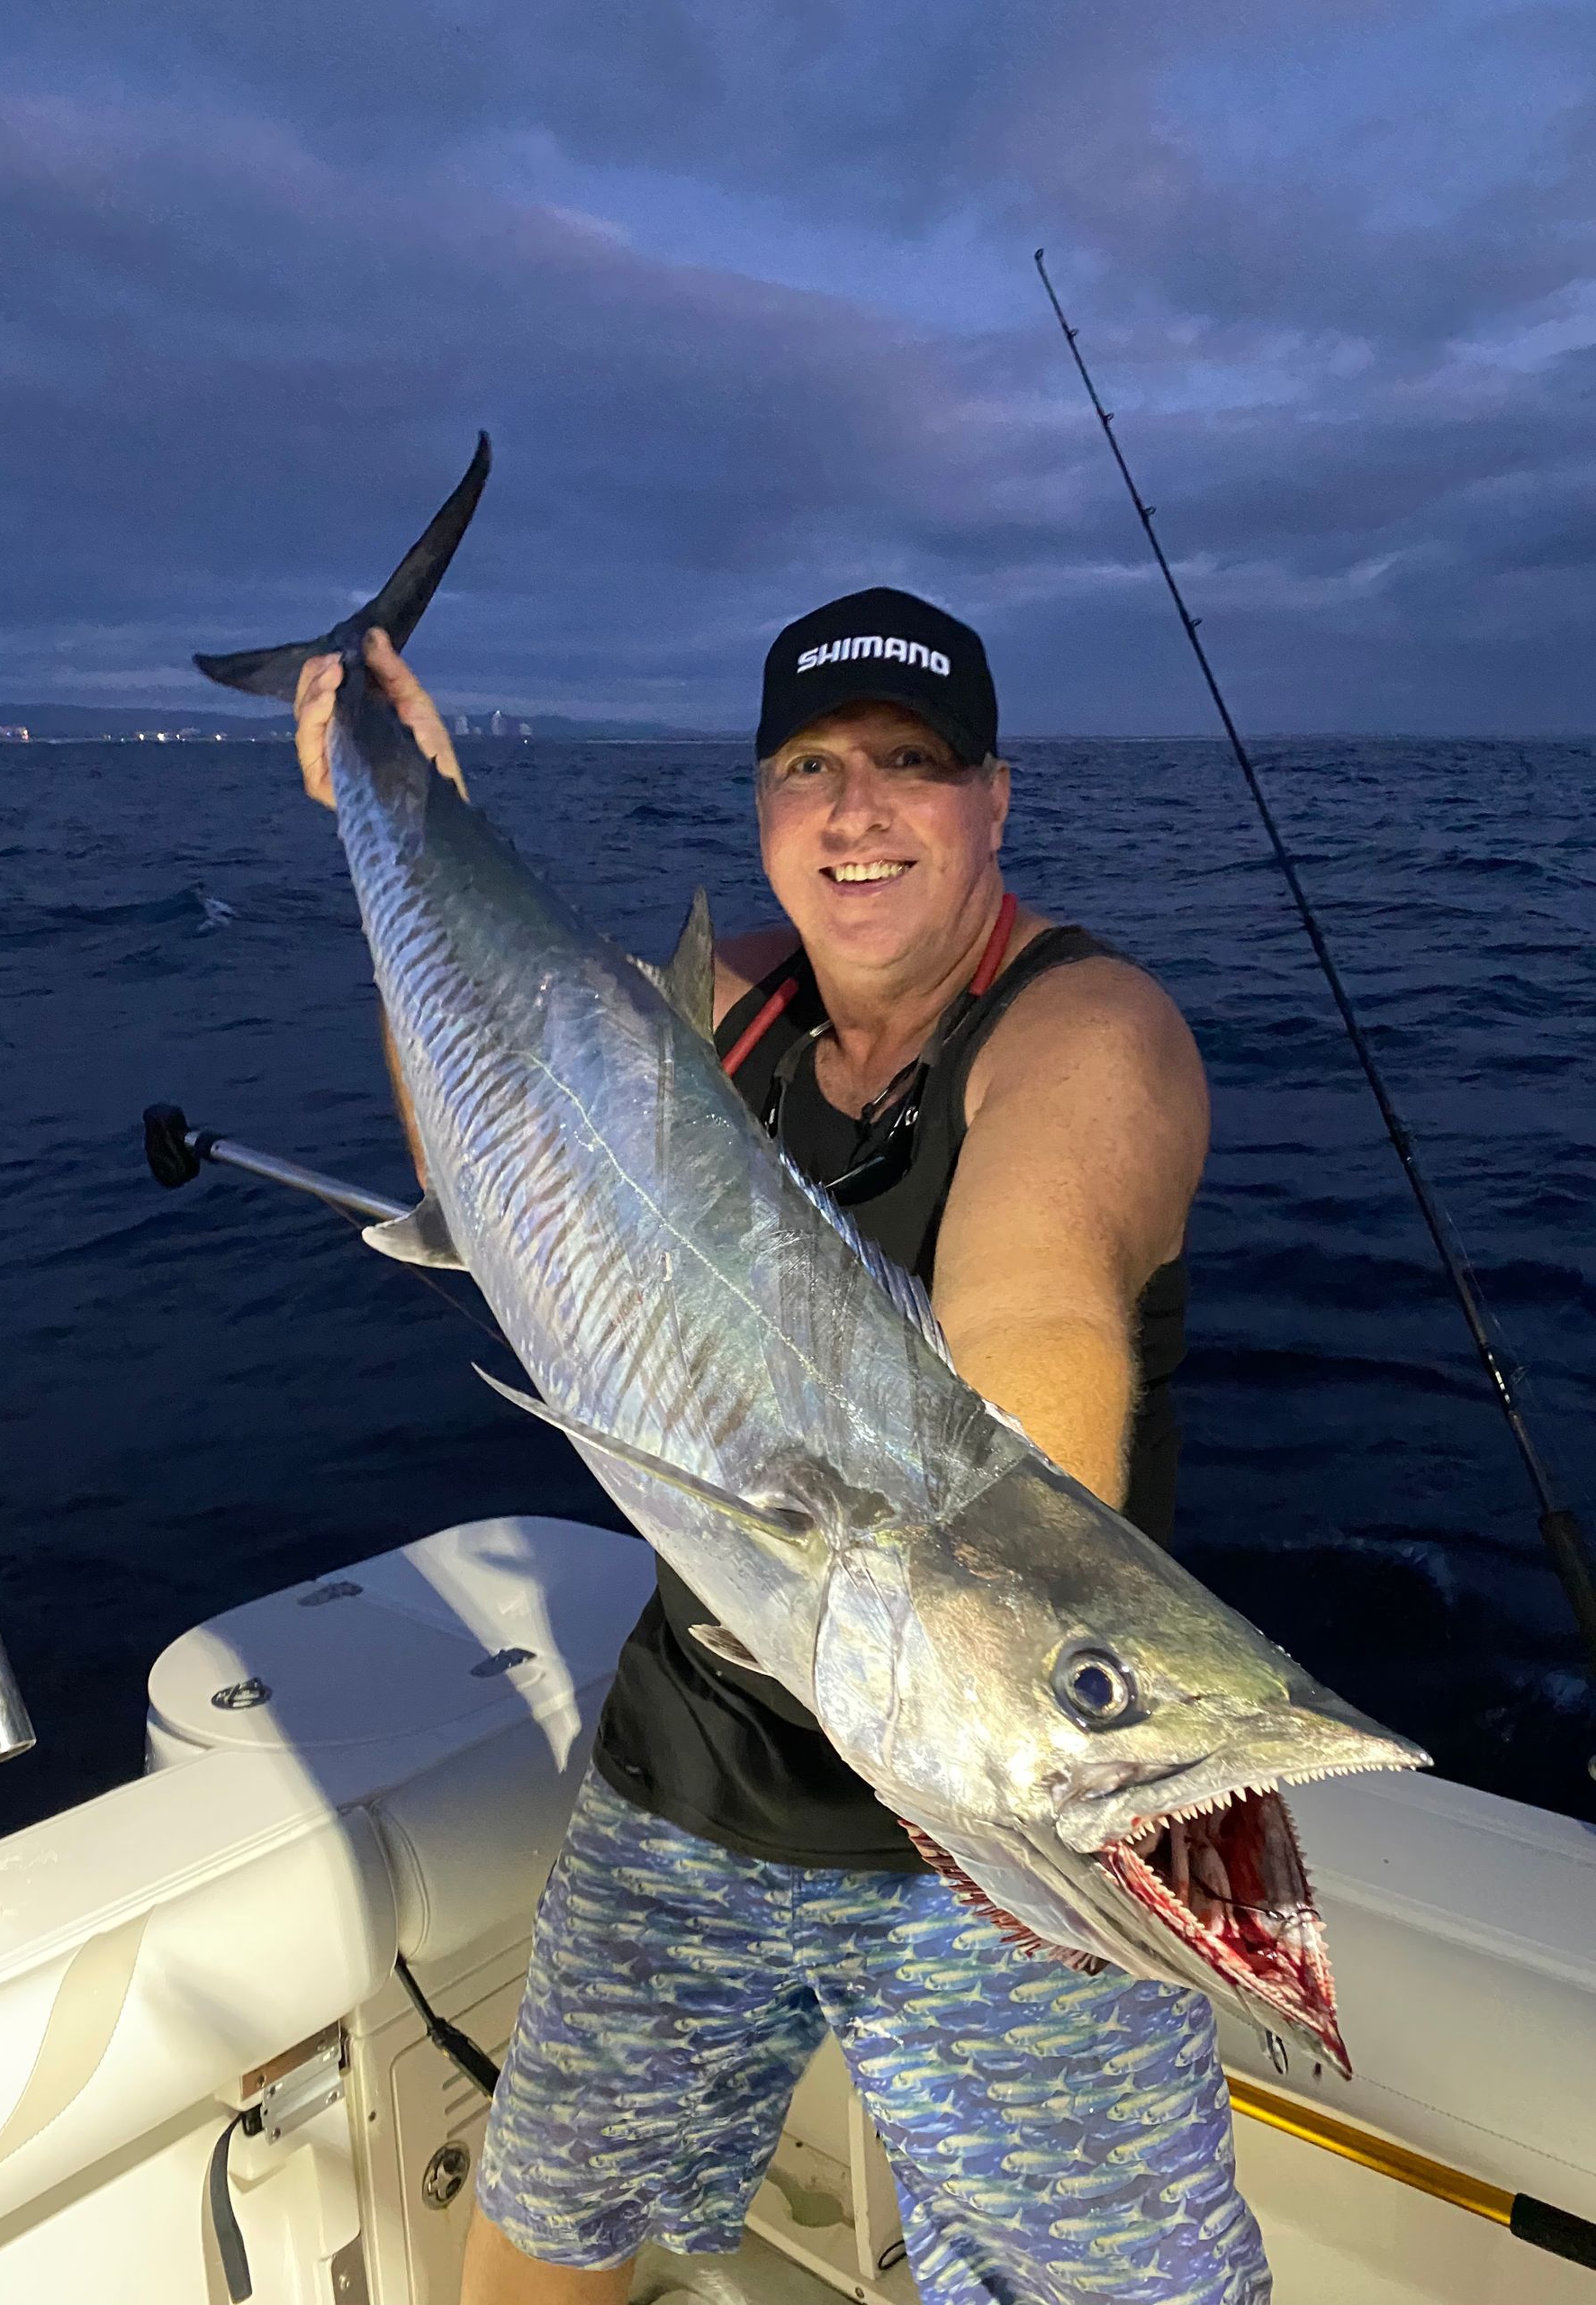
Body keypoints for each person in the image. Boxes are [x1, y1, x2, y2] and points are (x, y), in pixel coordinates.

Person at [293, 593, 1268, 2305]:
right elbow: (487, 1135)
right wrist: (397, 812)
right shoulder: (723, 1006)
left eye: (912, 763)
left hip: (1003, 1852)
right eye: (810, 767)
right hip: (697, 1774)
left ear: (994, 800)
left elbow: (1031, 1326)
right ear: (761, 807)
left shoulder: (1088, 1037)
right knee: (544, 2241)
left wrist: (1054, 1684)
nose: (857, 809)